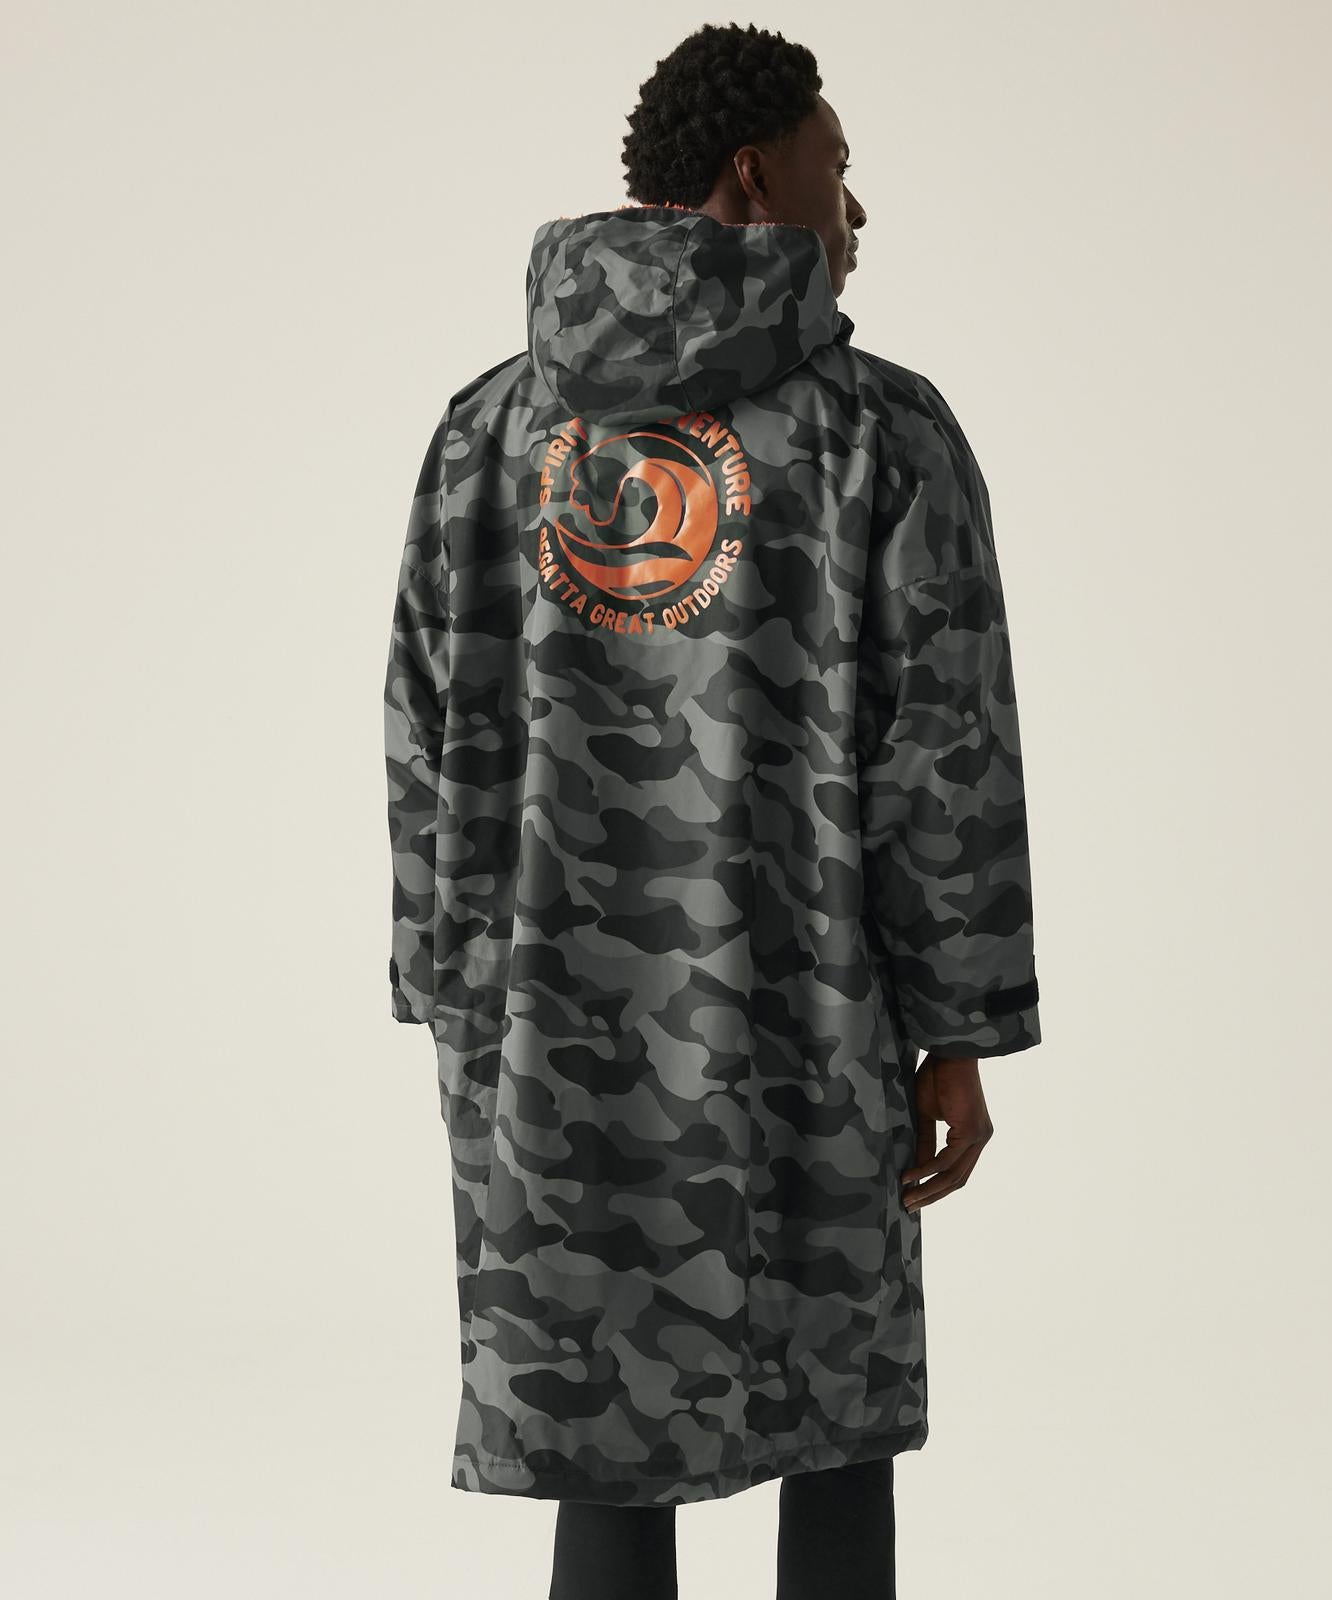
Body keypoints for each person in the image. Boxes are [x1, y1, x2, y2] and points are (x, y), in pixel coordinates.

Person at [382, 21, 1042, 1600]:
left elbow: (424, 727)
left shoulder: (488, 431)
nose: (856, 210)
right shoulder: (879, 433)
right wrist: (959, 1026)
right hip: (816, 1010)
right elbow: (944, 746)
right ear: (755, 175)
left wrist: (449, 988)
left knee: (598, 1391)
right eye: (837, 168)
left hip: (546, 1017)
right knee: (836, 1405)